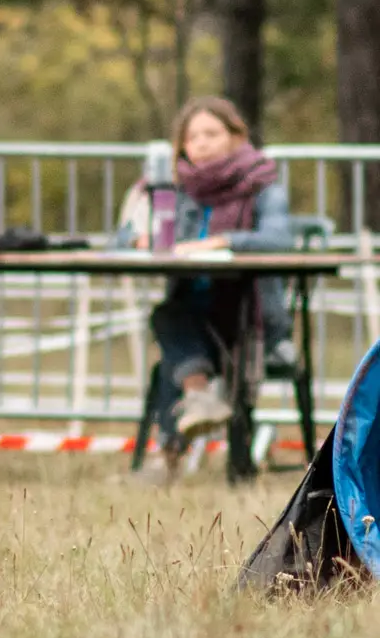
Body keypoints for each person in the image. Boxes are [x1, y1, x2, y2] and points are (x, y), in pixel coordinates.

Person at [116, 96, 293, 474]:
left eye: (211, 133)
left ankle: (169, 453)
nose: (201, 143)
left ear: (236, 136)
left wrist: (223, 241)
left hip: (251, 313)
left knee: (173, 333)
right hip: (192, 304)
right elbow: (121, 235)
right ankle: (198, 399)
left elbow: (279, 238)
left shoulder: (261, 183)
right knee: (172, 319)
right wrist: (138, 239)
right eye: (192, 136)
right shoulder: (167, 187)